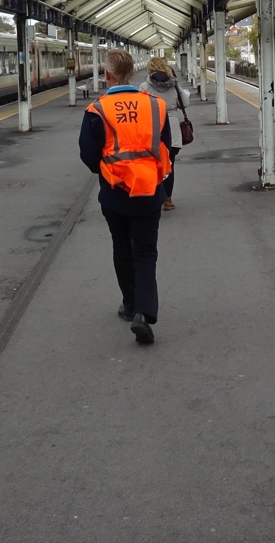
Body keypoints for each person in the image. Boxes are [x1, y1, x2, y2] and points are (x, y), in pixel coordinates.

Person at [79, 49, 173, 345]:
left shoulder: (97, 110)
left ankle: (130, 304)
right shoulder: (156, 106)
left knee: (122, 248)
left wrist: (109, 170)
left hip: (114, 193)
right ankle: (144, 313)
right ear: (133, 72)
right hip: (149, 191)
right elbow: (165, 145)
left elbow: (88, 154)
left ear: (107, 74)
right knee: (145, 252)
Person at [138, 56, 187, 212]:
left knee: (153, 165)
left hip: (153, 129)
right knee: (170, 165)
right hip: (172, 129)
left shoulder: (144, 86)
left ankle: (154, 198)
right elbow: (185, 103)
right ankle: (167, 200)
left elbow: (140, 108)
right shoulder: (174, 84)